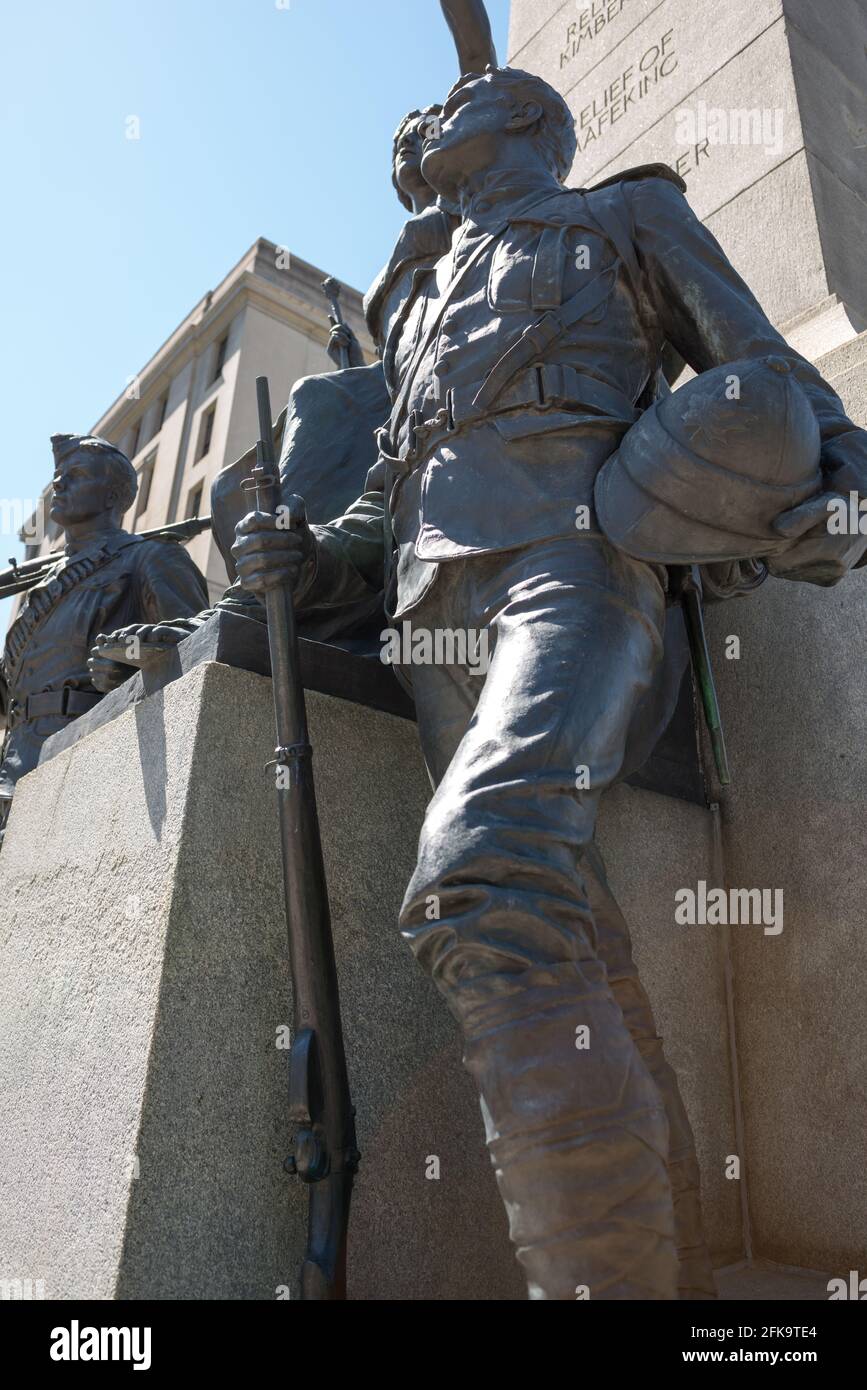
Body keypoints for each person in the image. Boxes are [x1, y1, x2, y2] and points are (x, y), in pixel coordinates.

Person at [226, 64, 867, 1300]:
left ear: (522, 121)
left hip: (578, 570)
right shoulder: (415, 313)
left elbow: (773, 373)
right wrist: (296, 560)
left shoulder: (625, 219)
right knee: (576, 939)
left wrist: (835, 484)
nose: (423, 119)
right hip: (434, 626)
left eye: (456, 105)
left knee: (481, 878)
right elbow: (382, 504)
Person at [0, 434, 208, 843]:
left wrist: (133, 661)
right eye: (58, 475)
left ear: (112, 496)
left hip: (80, 762)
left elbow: (198, 653)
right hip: (14, 768)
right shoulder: (45, 585)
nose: (59, 483)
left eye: (75, 475)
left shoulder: (149, 558)